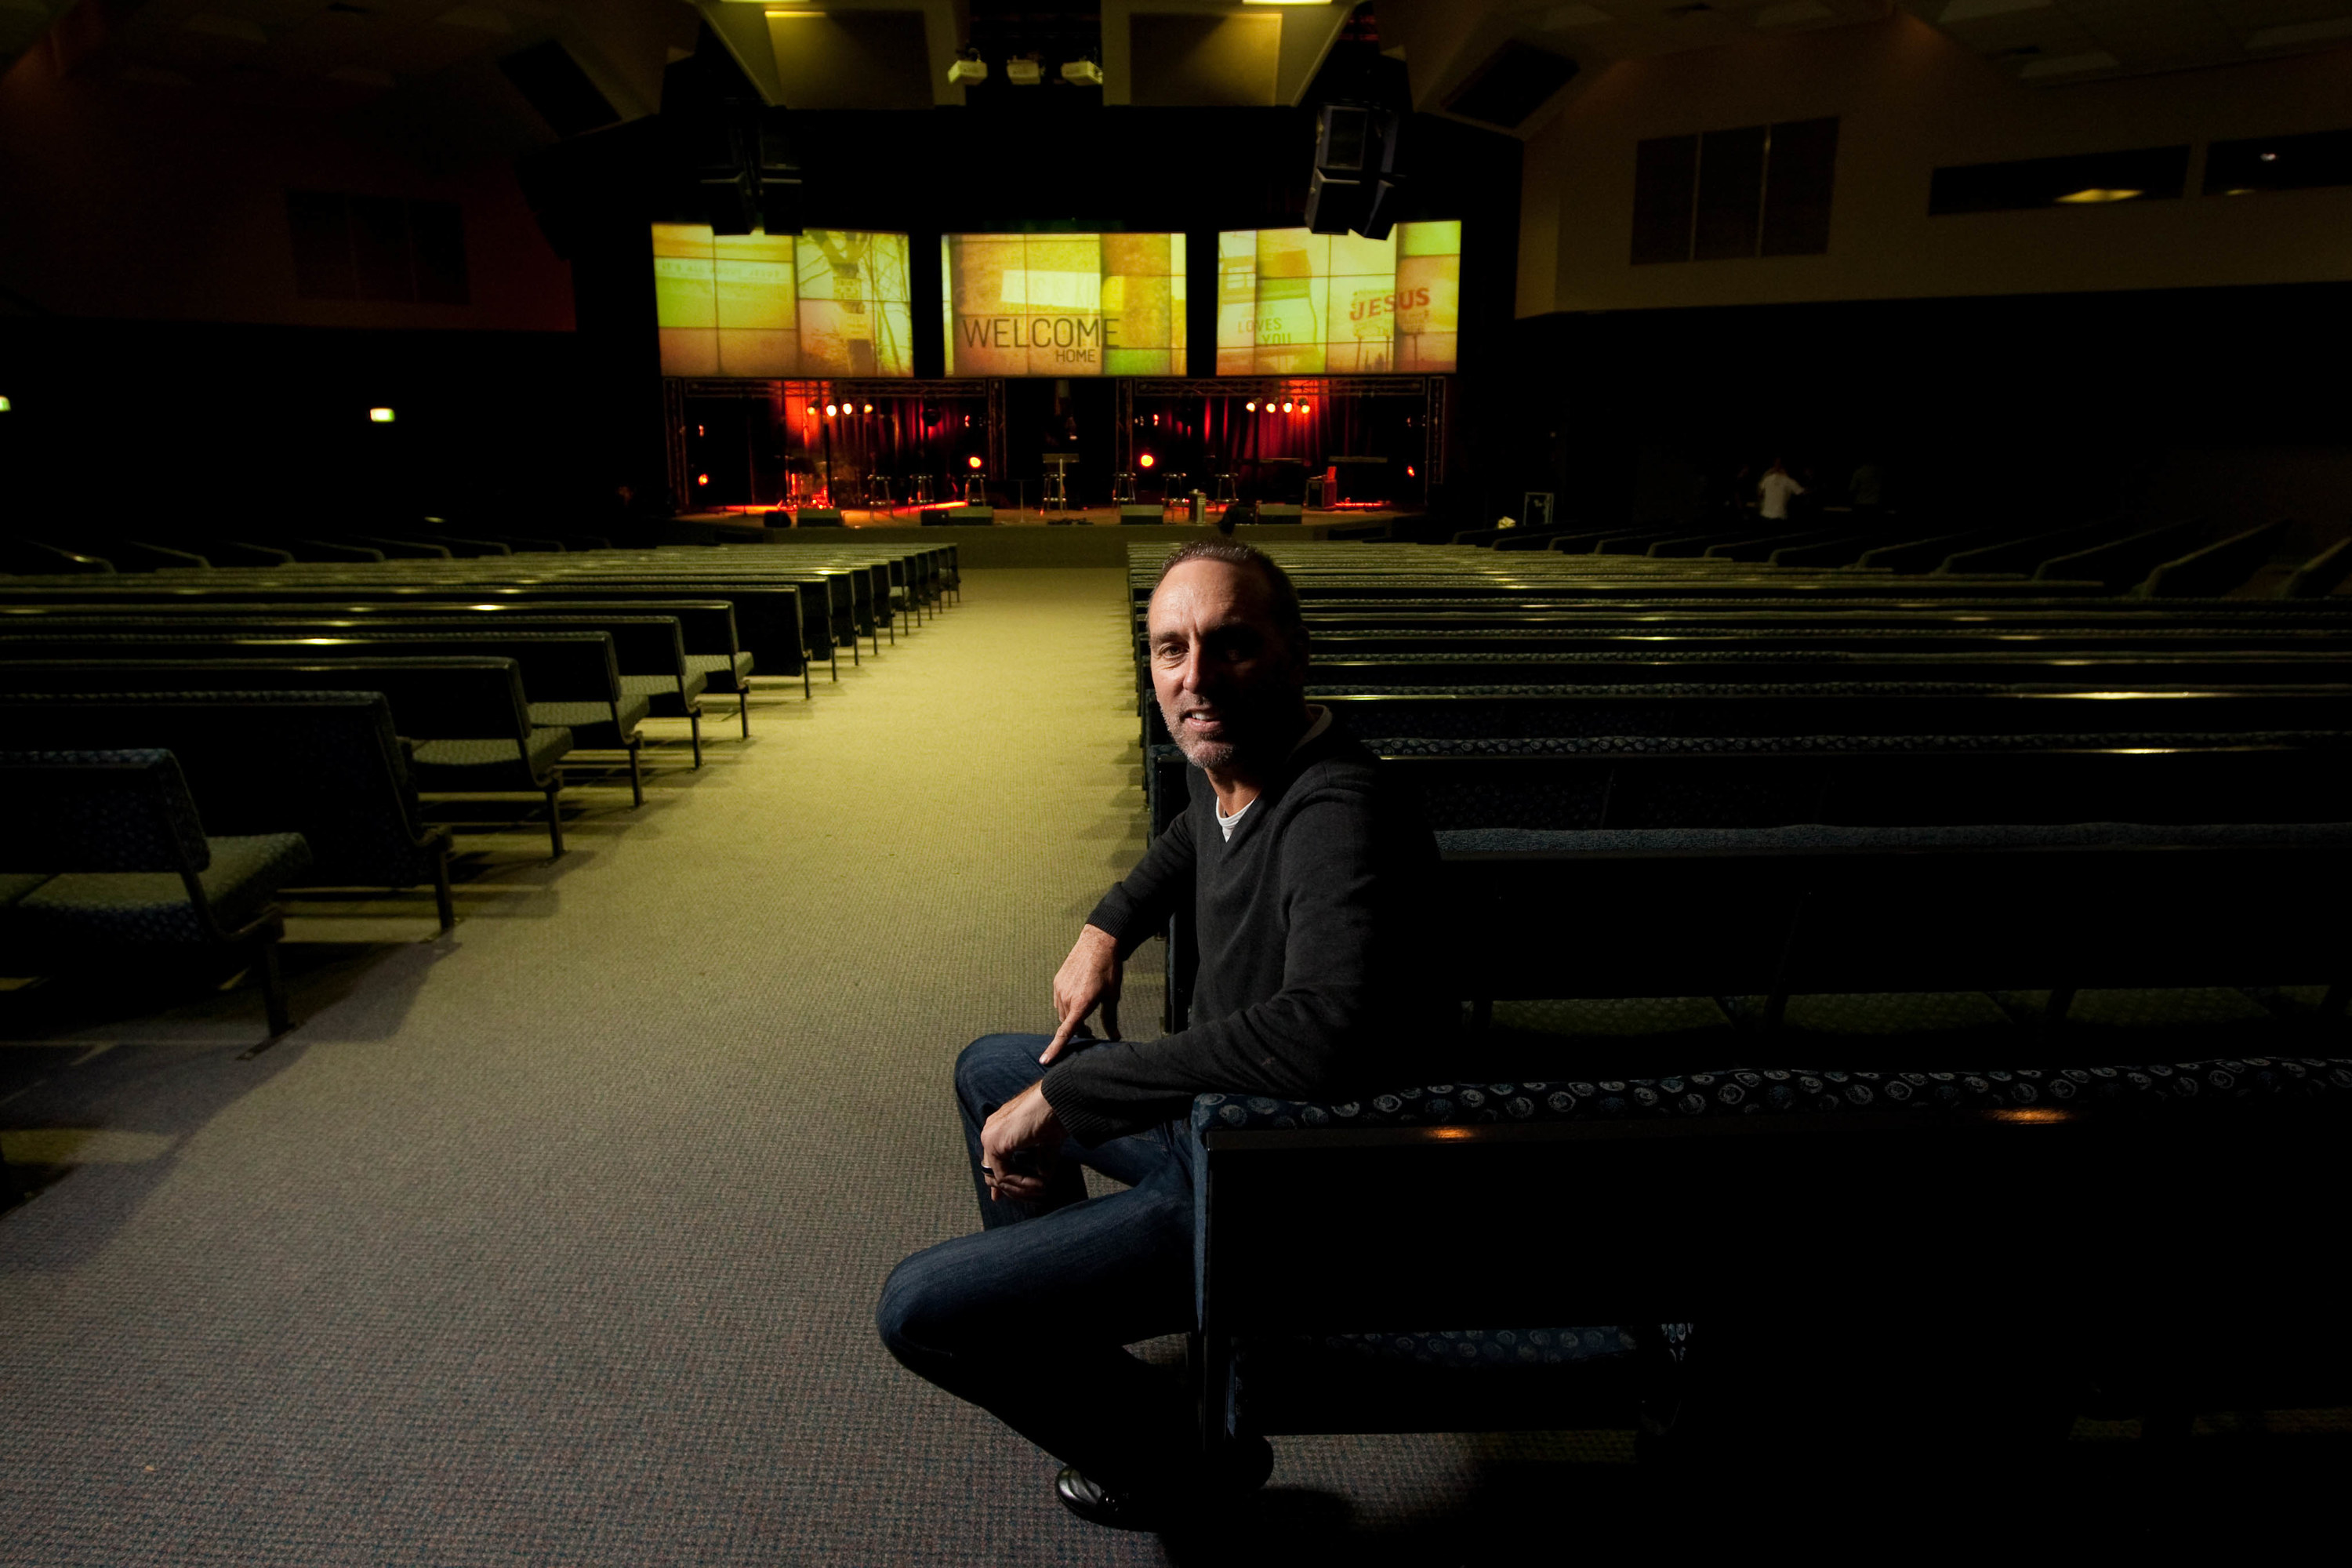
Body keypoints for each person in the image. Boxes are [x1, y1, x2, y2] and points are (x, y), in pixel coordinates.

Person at [876, 539, 1445, 1532]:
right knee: (991, 1066)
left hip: (1277, 1177)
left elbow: (1325, 1032)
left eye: (1230, 645)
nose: (1195, 678)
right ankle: (1082, 1363)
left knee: (922, 1308)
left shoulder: (1338, 810)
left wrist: (1074, 1095)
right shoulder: (1225, 760)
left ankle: (1189, 1462)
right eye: (1170, 649)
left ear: (1296, 655)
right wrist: (1106, 927)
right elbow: (1189, 840)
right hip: (1214, 1114)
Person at [1757, 458, 1806, 523]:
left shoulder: (1767, 479)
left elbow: (1759, 494)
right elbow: (1802, 492)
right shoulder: (1788, 481)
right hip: (1780, 516)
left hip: (1766, 515)